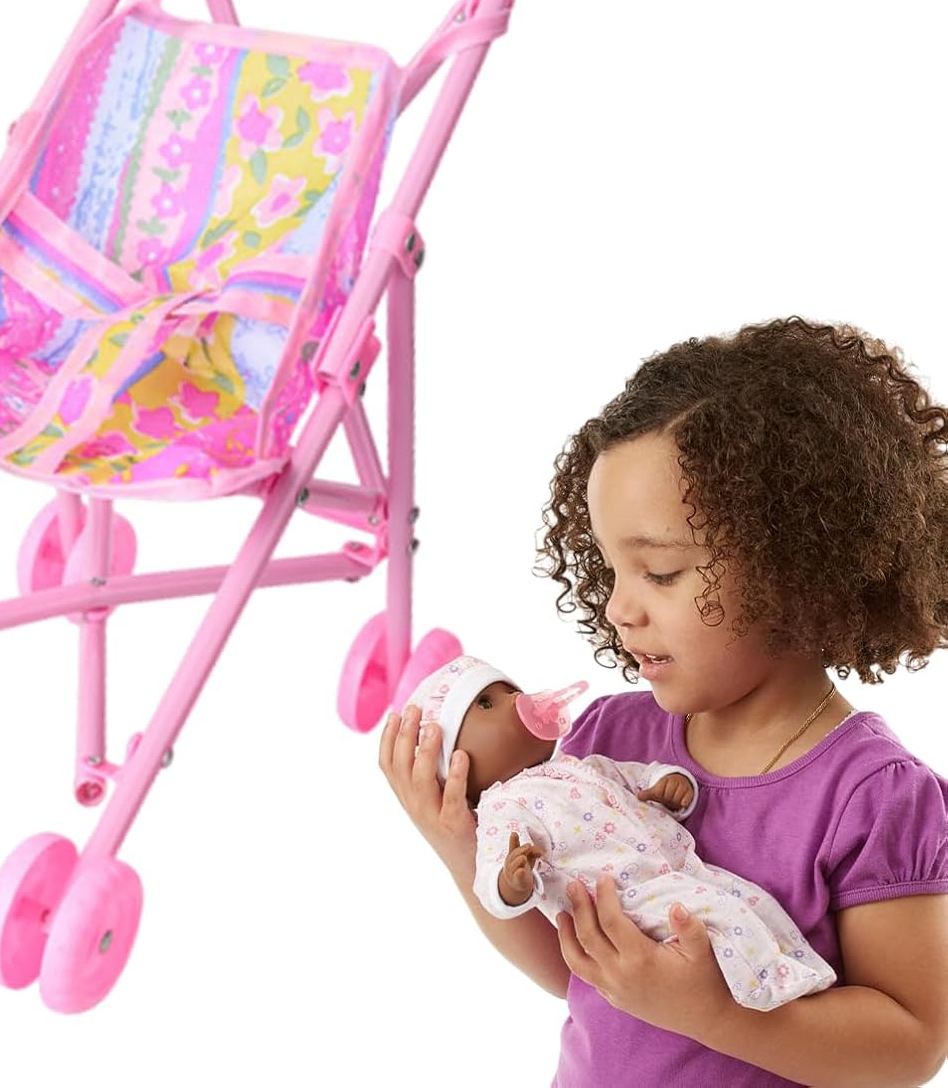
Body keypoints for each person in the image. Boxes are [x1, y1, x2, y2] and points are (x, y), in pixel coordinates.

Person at [379, 317, 948, 1086]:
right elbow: (578, 968)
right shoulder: (607, 738)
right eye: (611, 570)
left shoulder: (872, 797)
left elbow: (910, 1047)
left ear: (790, 563)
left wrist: (717, 1013)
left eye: (661, 573)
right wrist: (458, 843)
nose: (619, 609)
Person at [405, 653, 837, 1011]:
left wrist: (670, 785)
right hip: (626, 898)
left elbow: (637, 778)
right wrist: (511, 883)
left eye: (508, 690)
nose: (516, 701)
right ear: (456, 761)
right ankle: (767, 989)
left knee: (750, 901)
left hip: (677, 867)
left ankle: (804, 970)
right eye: (486, 704)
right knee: (723, 916)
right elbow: (491, 874)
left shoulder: (580, 766)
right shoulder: (503, 807)